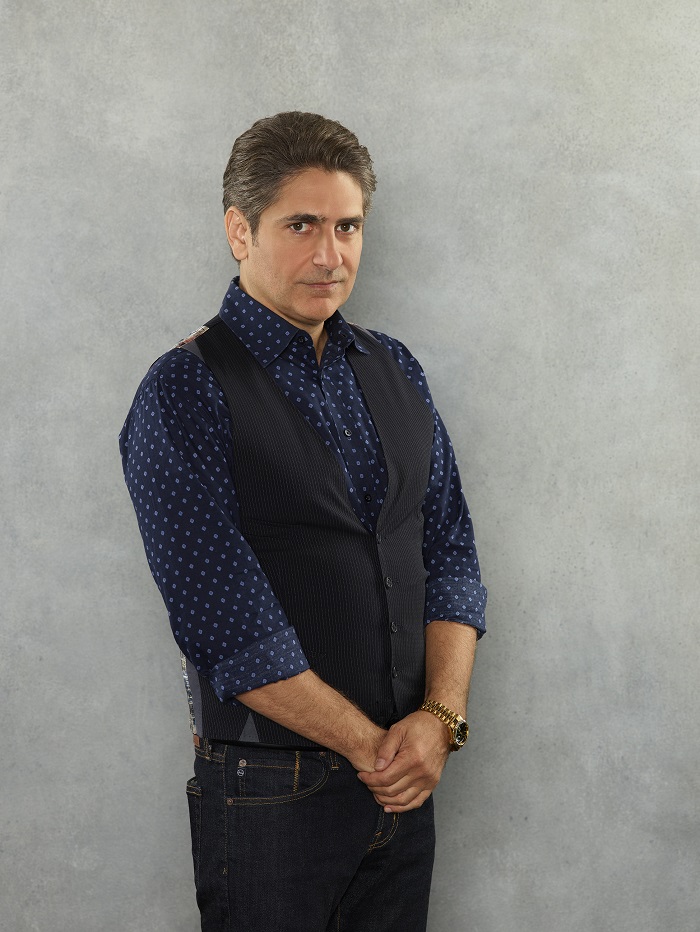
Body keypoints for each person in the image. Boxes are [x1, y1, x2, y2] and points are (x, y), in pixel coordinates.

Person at [119, 111, 486, 932]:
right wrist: (373, 748)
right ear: (239, 231)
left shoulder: (395, 366)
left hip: (405, 783)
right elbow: (227, 627)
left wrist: (440, 720)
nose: (330, 255)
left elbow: (450, 553)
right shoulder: (185, 389)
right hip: (270, 793)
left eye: (347, 227)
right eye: (302, 226)